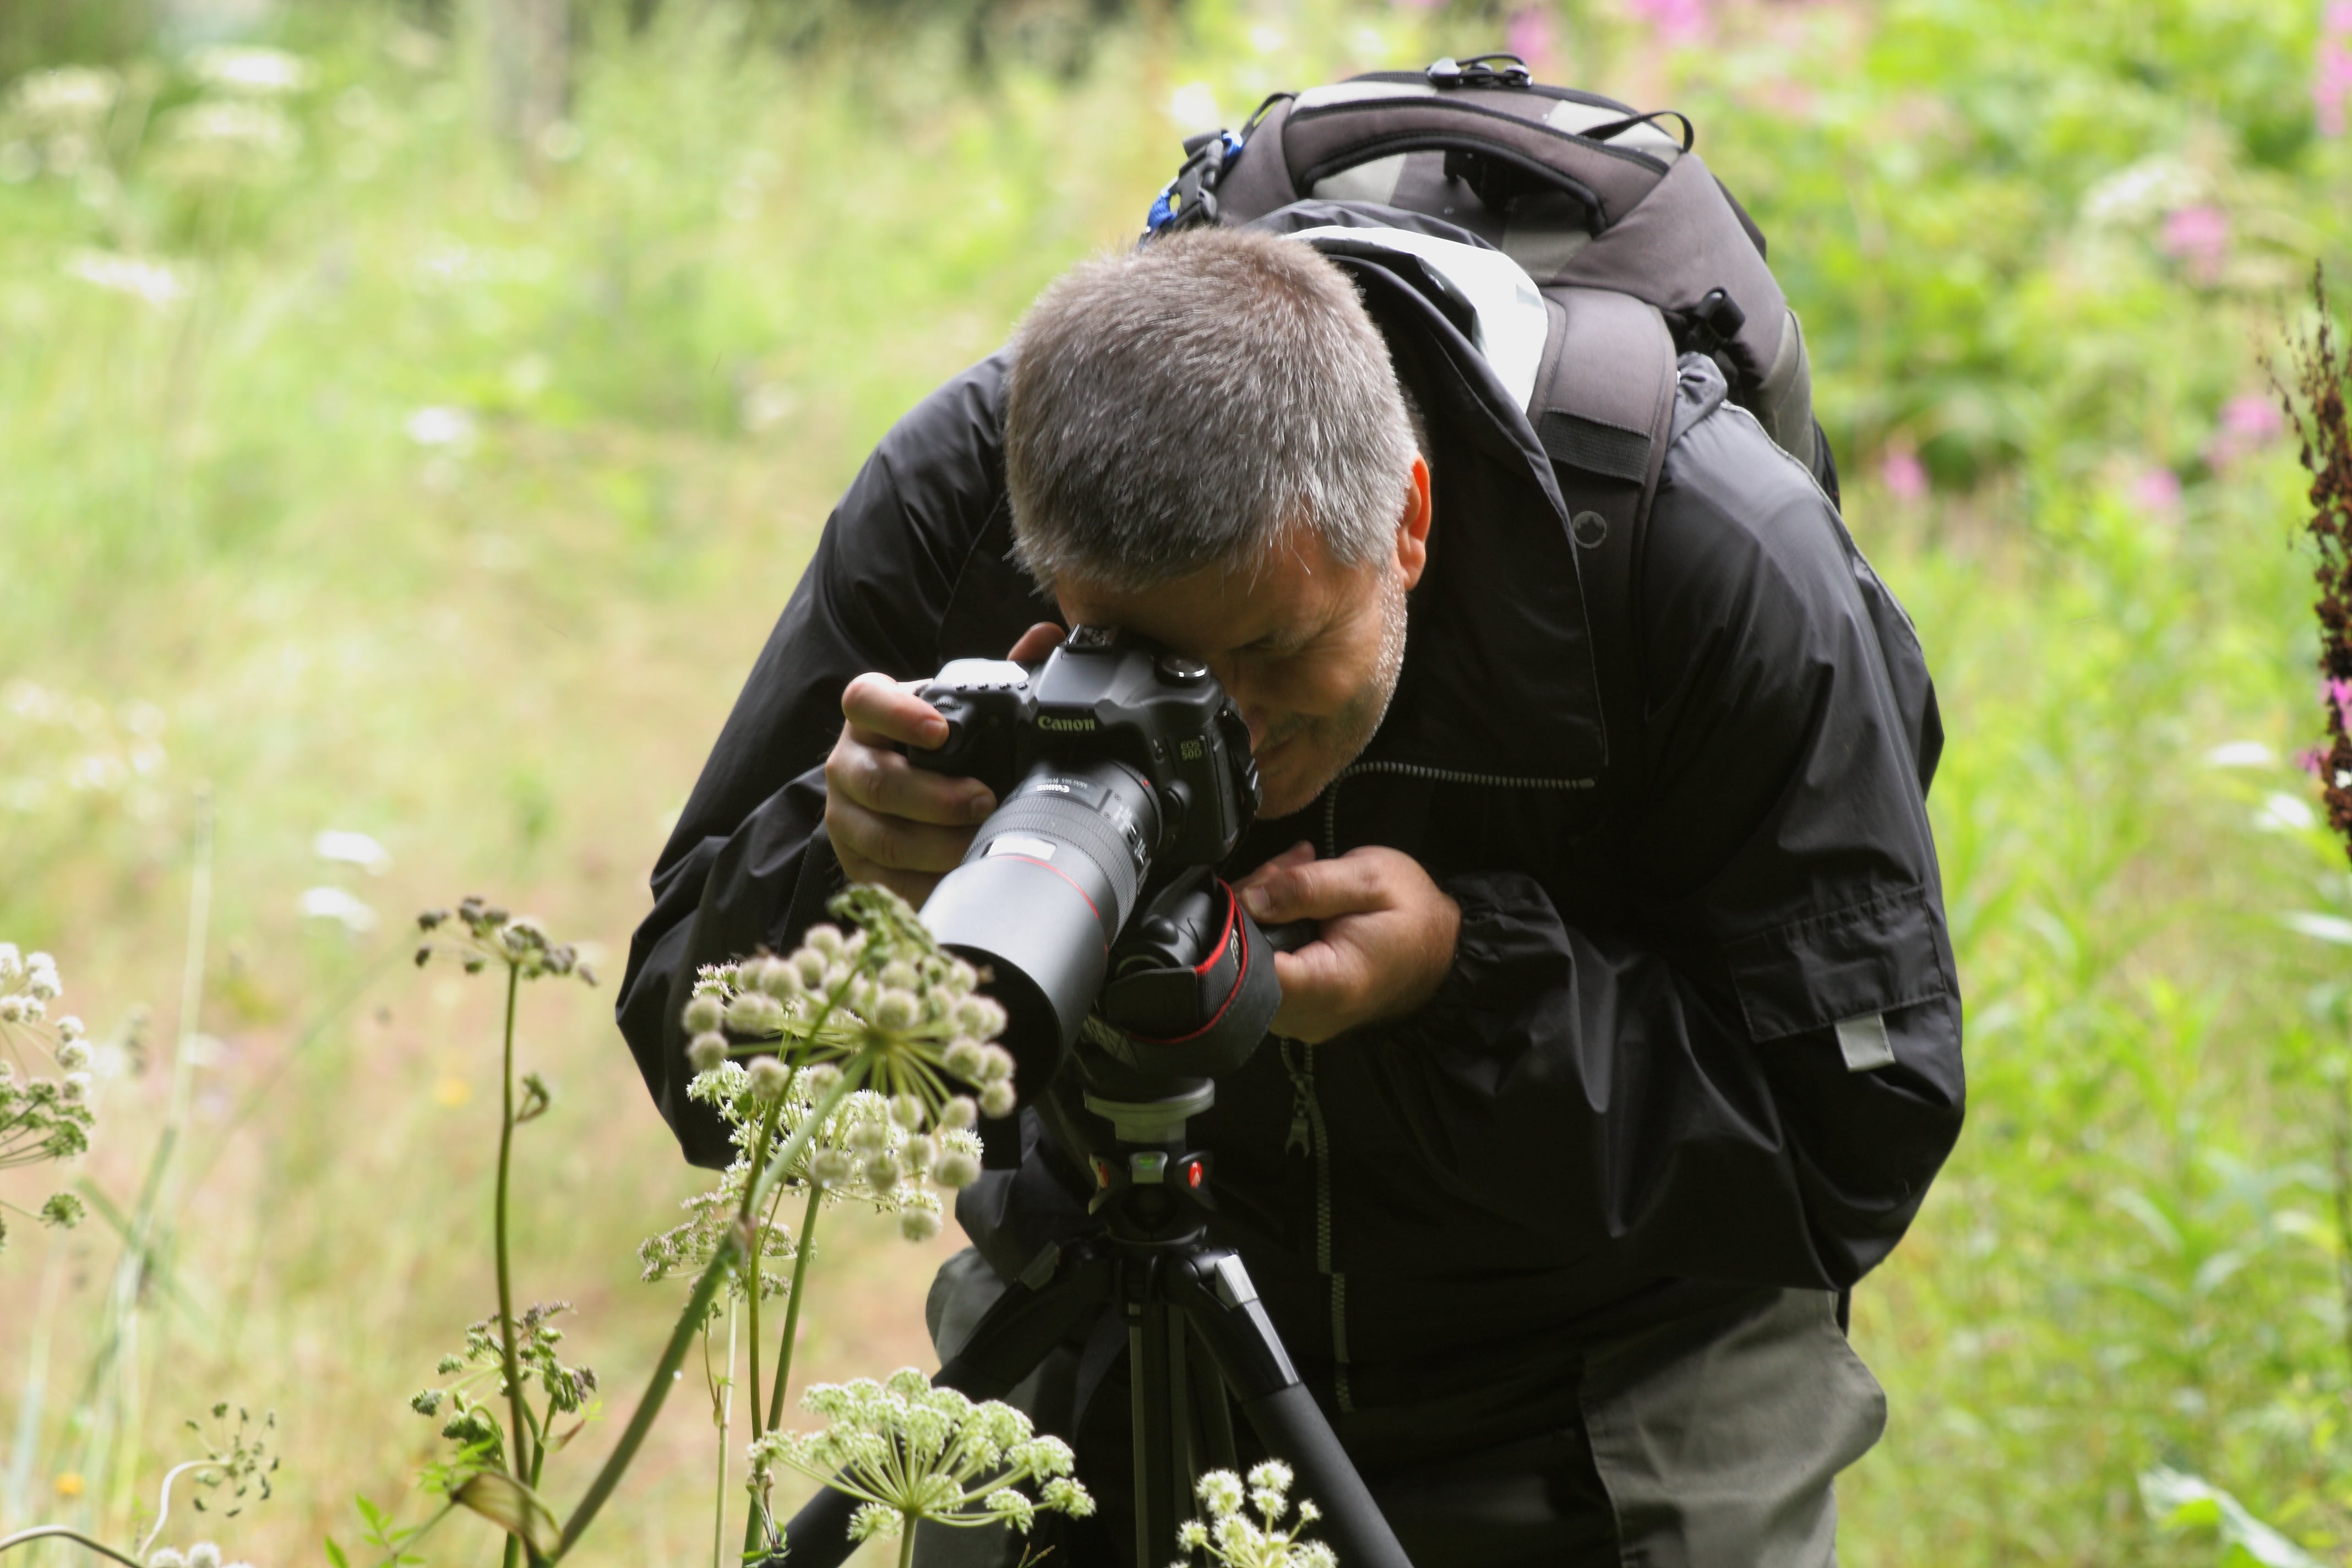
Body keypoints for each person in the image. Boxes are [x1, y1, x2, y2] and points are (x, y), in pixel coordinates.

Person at [618, 220, 1964, 1567]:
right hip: (1092, 1307)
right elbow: (696, 1048)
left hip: (1601, 1375)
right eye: (1134, 659)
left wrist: (1468, 985)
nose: (1228, 738)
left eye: (1274, 648)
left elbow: (1857, 1138)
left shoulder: (1711, 550)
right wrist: (850, 856)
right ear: (1044, 567)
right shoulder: (974, 490)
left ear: (1412, 524)